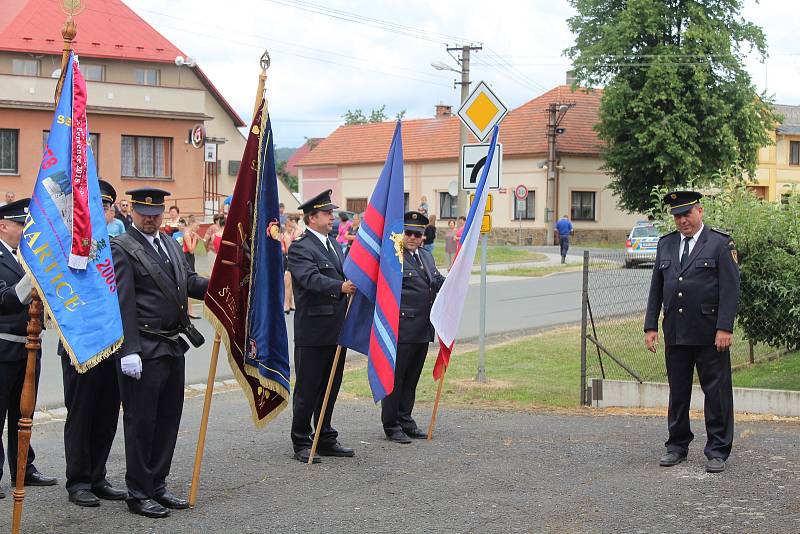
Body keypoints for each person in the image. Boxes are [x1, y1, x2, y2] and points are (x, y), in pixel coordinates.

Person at [112, 188, 208, 518]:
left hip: (172, 343)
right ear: (134, 213)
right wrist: (129, 350)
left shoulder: (168, 243)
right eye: (144, 213)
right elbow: (122, 302)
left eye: (156, 213)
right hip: (144, 349)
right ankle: (138, 491)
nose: (150, 218)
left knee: (169, 419)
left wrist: (225, 282)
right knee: (141, 422)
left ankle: (158, 484)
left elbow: (188, 282)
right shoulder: (122, 247)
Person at [644, 191, 740, 474]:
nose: (682, 220)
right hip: (676, 330)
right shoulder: (667, 244)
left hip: (710, 333)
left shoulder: (720, 244)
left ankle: (718, 450)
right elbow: (656, 288)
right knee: (678, 392)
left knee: (717, 392)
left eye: (687, 214)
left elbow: (730, 290)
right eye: (677, 215)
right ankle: (677, 445)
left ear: (700, 211)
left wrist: (725, 327)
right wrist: (651, 326)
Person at [59, 180, 127, 507]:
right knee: (82, 414)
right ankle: (79, 481)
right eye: (95, 205)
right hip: (79, 343)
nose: (101, 211)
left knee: (106, 414)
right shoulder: (68, 245)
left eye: (107, 206)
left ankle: (98, 476)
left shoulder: (117, 246)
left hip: (112, 343)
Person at [287, 189, 356, 463]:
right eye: (327, 214)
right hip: (313, 331)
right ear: (312, 217)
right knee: (308, 388)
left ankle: (325, 436)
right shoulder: (300, 247)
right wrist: (340, 286)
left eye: (331, 213)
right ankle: (302, 441)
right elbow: (309, 279)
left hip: (335, 329)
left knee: (331, 385)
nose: (332, 218)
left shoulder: (333, 244)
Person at [0, 199, 57, 498]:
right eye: (21, 225)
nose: (25, 230)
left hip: (30, 347)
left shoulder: (29, 256)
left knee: (24, 413)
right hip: (3, 347)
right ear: (3, 226)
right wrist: (31, 277)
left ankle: (24, 467)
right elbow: (5, 299)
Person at [383, 212, 445, 443]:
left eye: (417, 234)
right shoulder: (395, 257)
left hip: (422, 328)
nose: (412, 237)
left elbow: (436, 280)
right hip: (402, 328)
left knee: (411, 379)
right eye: (408, 233)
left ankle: (405, 419)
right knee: (396, 379)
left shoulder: (426, 257)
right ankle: (391, 425)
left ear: (423, 237)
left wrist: (453, 284)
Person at [281, 216, 301, 314]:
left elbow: (289, 249)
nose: (289, 226)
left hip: (291, 258)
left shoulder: (294, 233)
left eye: (289, 223)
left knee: (288, 282)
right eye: (287, 225)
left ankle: (288, 305)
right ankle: (290, 304)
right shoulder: (288, 234)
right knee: (288, 282)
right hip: (289, 258)